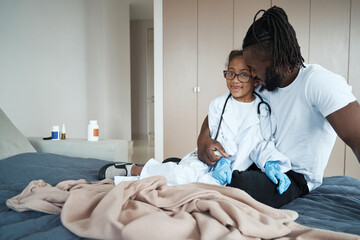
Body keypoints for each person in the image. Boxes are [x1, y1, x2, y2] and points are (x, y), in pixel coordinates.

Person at [197, 6, 360, 208]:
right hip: (254, 162)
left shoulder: (318, 84)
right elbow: (223, 107)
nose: (251, 77)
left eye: (254, 70)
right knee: (180, 164)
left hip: (291, 176)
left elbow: (358, 138)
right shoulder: (263, 84)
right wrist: (203, 140)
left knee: (240, 183)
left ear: (276, 62)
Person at [99, 50, 291, 194]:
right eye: (230, 73)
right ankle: (134, 170)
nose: (235, 80)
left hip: (236, 169)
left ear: (255, 79)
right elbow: (217, 137)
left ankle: (148, 173)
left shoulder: (263, 110)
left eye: (243, 74)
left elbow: (261, 144)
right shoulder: (218, 105)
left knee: (199, 190)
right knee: (184, 176)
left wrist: (270, 165)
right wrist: (221, 160)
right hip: (211, 160)